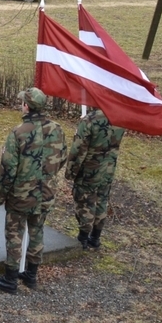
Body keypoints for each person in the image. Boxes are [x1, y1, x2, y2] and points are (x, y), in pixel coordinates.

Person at [0, 88, 66, 293]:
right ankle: (31, 275)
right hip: (46, 193)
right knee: (37, 231)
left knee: (14, 233)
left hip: (21, 195)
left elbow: (8, 169)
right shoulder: (57, 129)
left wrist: (0, 195)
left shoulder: (18, 133)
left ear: (27, 106)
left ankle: (11, 278)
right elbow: (62, 157)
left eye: (23, 102)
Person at [65, 107, 125, 250]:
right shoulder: (120, 118)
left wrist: (71, 171)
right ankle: (95, 237)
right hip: (109, 169)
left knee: (86, 202)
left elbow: (78, 149)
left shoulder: (91, 120)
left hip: (90, 170)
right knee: (102, 200)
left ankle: (83, 238)